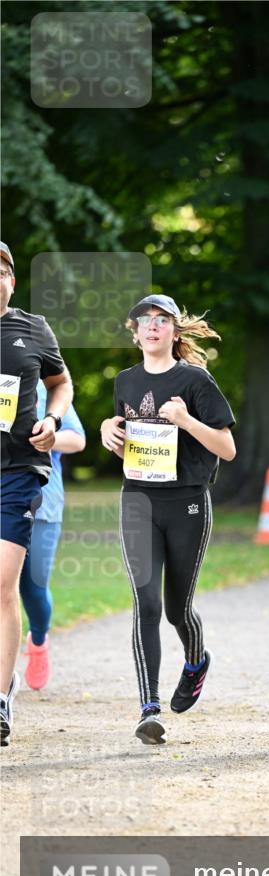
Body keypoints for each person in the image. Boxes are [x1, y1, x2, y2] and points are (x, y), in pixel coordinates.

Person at [100, 294, 236, 746]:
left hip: (188, 503)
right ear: (134, 331)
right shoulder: (125, 380)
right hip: (138, 499)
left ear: (175, 332)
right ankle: (148, 708)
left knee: (178, 608)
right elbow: (125, 430)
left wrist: (185, 420)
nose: (154, 327)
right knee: (146, 603)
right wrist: (108, 431)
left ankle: (196, 659)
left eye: (163, 321)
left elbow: (227, 448)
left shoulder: (195, 381)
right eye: (145, 320)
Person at [0, 240, 73, 746]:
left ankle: (1, 697)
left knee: (3, 585)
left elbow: (61, 382)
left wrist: (51, 418)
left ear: (10, 280)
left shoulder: (33, 328)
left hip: (18, 472)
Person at [19, 381, 86, 689]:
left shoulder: (46, 388)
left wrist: (50, 437)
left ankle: (38, 640)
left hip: (42, 502)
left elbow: (77, 439)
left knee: (33, 588)